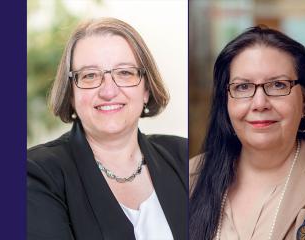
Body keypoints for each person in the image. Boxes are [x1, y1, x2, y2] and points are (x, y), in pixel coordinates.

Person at [27, 18, 187, 240]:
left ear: (146, 89)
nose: (109, 91)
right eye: (90, 75)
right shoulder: (37, 173)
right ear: (71, 94)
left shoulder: (185, 157)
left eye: (125, 73)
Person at [189, 26, 305, 240]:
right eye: (243, 87)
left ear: (304, 99)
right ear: (225, 102)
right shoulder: (189, 177)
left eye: (277, 85)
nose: (260, 103)